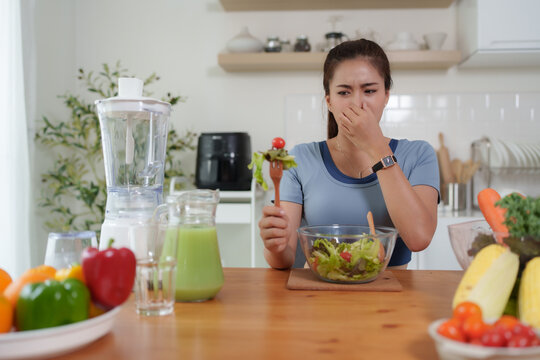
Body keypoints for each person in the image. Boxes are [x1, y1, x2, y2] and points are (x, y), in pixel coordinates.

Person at [258, 39, 440, 270]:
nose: (357, 104)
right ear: (329, 102)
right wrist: (275, 245)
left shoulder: (419, 154)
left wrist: (376, 147)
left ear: (386, 96)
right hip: (318, 296)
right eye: (344, 92)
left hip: (392, 298)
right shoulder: (300, 159)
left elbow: (419, 238)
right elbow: (284, 259)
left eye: (370, 91)